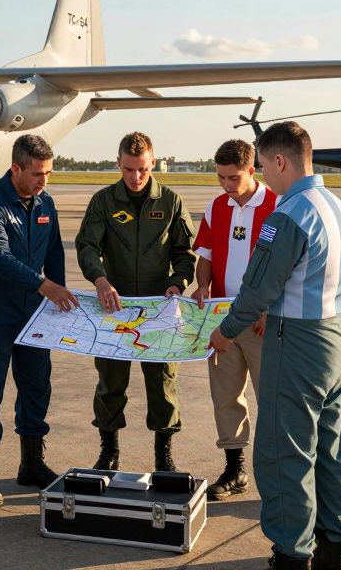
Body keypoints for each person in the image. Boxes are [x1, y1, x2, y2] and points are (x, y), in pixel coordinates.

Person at [207, 121, 341, 570]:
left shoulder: (287, 215)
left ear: (278, 160)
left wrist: (226, 330)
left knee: (282, 450)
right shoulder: (337, 205)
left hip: (297, 343)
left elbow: (257, 289)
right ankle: (334, 538)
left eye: (265, 166)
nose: (264, 179)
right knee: (329, 447)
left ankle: (292, 551)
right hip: (336, 337)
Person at [0, 134, 79, 509]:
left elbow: (54, 250)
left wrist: (59, 293)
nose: (43, 180)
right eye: (37, 173)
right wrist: (44, 284)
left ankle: (31, 462)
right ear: (15, 169)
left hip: (36, 310)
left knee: (36, 385)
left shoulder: (45, 203)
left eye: (48, 172)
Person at [76, 131, 196, 472]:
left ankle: (164, 453)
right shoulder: (103, 202)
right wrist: (99, 279)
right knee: (111, 381)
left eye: (142, 169)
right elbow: (87, 246)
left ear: (153, 163)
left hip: (159, 309)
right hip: (115, 307)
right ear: (119, 164)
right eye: (128, 169)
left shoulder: (171, 202)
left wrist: (177, 284)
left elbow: (185, 253)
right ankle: (108, 449)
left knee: (163, 383)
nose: (136, 177)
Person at [191, 139, 278, 501]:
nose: (226, 185)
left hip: (262, 321)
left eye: (233, 177)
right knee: (225, 396)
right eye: (221, 177)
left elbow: (287, 265)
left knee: (272, 399)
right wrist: (202, 286)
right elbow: (206, 254)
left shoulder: (277, 206)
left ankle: (278, 475)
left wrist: (268, 307)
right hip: (223, 322)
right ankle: (234, 469)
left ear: (252, 170)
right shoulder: (216, 206)